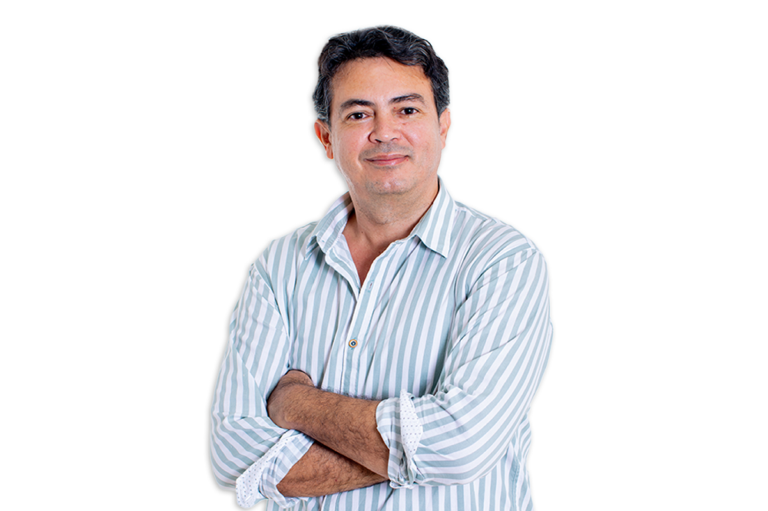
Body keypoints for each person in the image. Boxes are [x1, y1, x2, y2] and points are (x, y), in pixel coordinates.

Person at [210, 26, 553, 510]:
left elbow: (461, 445)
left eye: (407, 110)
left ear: (443, 127)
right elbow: (233, 453)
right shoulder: (280, 267)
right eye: (358, 114)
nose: (384, 132)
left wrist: (294, 403)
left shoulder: (503, 262)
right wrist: (417, 447)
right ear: (326, 138)